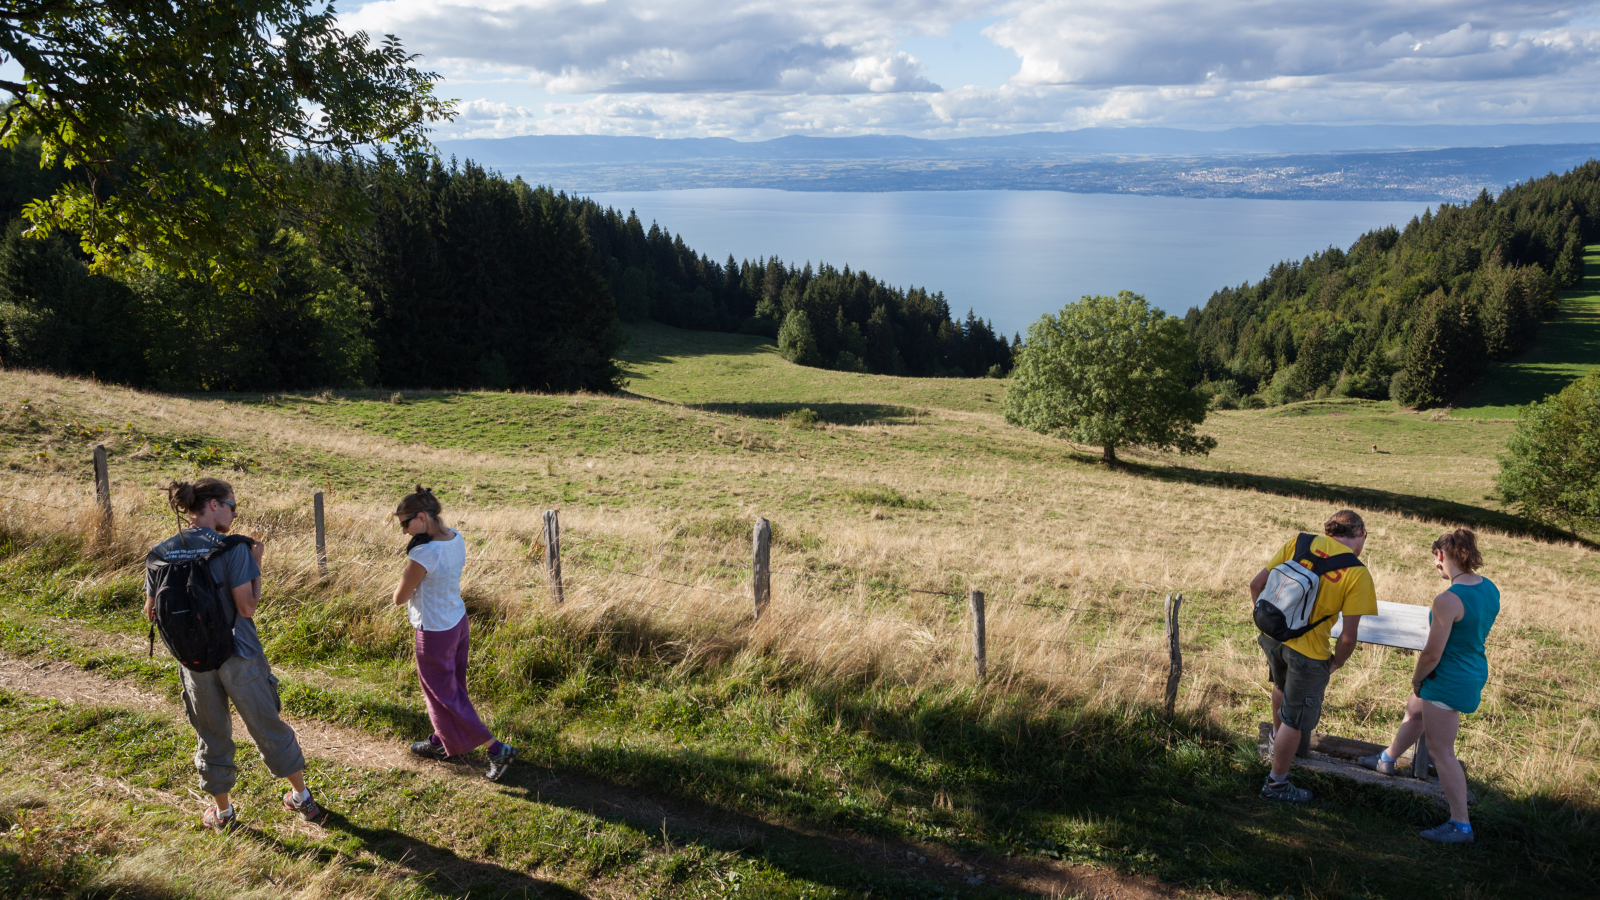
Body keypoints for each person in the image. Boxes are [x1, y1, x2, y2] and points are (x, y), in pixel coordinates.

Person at [144, 478, 324, 831]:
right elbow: (247, 607)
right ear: (213, 505)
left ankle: (222, 813)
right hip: (239, 654)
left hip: (193, 661)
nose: (234, 513)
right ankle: (301, 798)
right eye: (231, 505)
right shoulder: (234, 548)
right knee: (266, 724)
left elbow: (150, 612)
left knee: (211, 733)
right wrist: (257, 563)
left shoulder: (160, 552)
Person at [1359, 529, 1498, 843]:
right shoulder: (1489, 588)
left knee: (1441, 752)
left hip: (1446, 677)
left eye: (1435, 559)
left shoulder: (1448, 599)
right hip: (1472, 669)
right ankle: (1387, 760)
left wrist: (1418, 678)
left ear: (1440, 556)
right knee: (1414, 710)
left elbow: (1432, 652)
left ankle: (1460, 825)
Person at [1250, 509, 1378, 803]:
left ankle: (1275, 746)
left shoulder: (1300, 542)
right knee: (1295, 720)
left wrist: (1269, 622)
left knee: (1280, 688)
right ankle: (1277, 785)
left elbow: (1256, 585)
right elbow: (1348, 636)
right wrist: (1337, 662)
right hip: (1310, 653)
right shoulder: (1357, 573)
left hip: (1274, 638)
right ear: (1360, 535)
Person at [391, 486, 517, 781]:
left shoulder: (424, 552)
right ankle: (439, 742)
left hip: (434, 630)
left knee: (443, 694)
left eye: (404, 523)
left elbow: (399, 597)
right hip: (457, 622)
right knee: (453, 690)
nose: (404, 531)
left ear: (421, 517)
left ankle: (496, 749)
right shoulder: (455, 538)